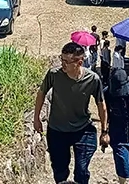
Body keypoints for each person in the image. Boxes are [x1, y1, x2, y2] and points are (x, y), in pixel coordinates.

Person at [34, 42, 108, 184]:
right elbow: (41, 93)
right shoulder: (54, 74)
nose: (63, 64)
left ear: (79, 63)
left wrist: (104, 131)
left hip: (83, 130)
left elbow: (101, 105)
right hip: (57, 130)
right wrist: (36, 118)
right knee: (60, 171)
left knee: (81, 171)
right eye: (61, 59)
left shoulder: (92, 79)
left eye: (66, 62)